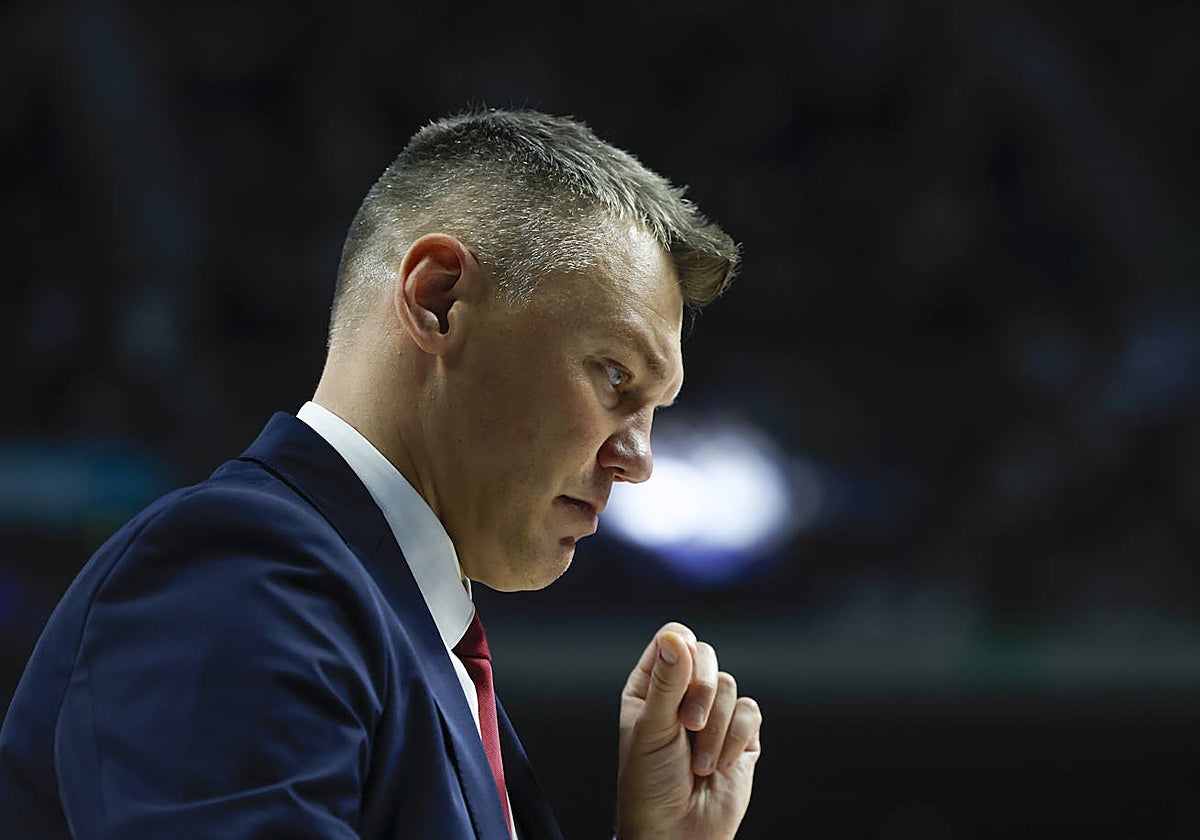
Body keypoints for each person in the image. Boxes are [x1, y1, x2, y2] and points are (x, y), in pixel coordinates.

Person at [0, 109, 763, 839]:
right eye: (614, 376)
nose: (638, 462)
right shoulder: (242, 575)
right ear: (437, 300)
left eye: (655, 409)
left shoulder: (384, 623)